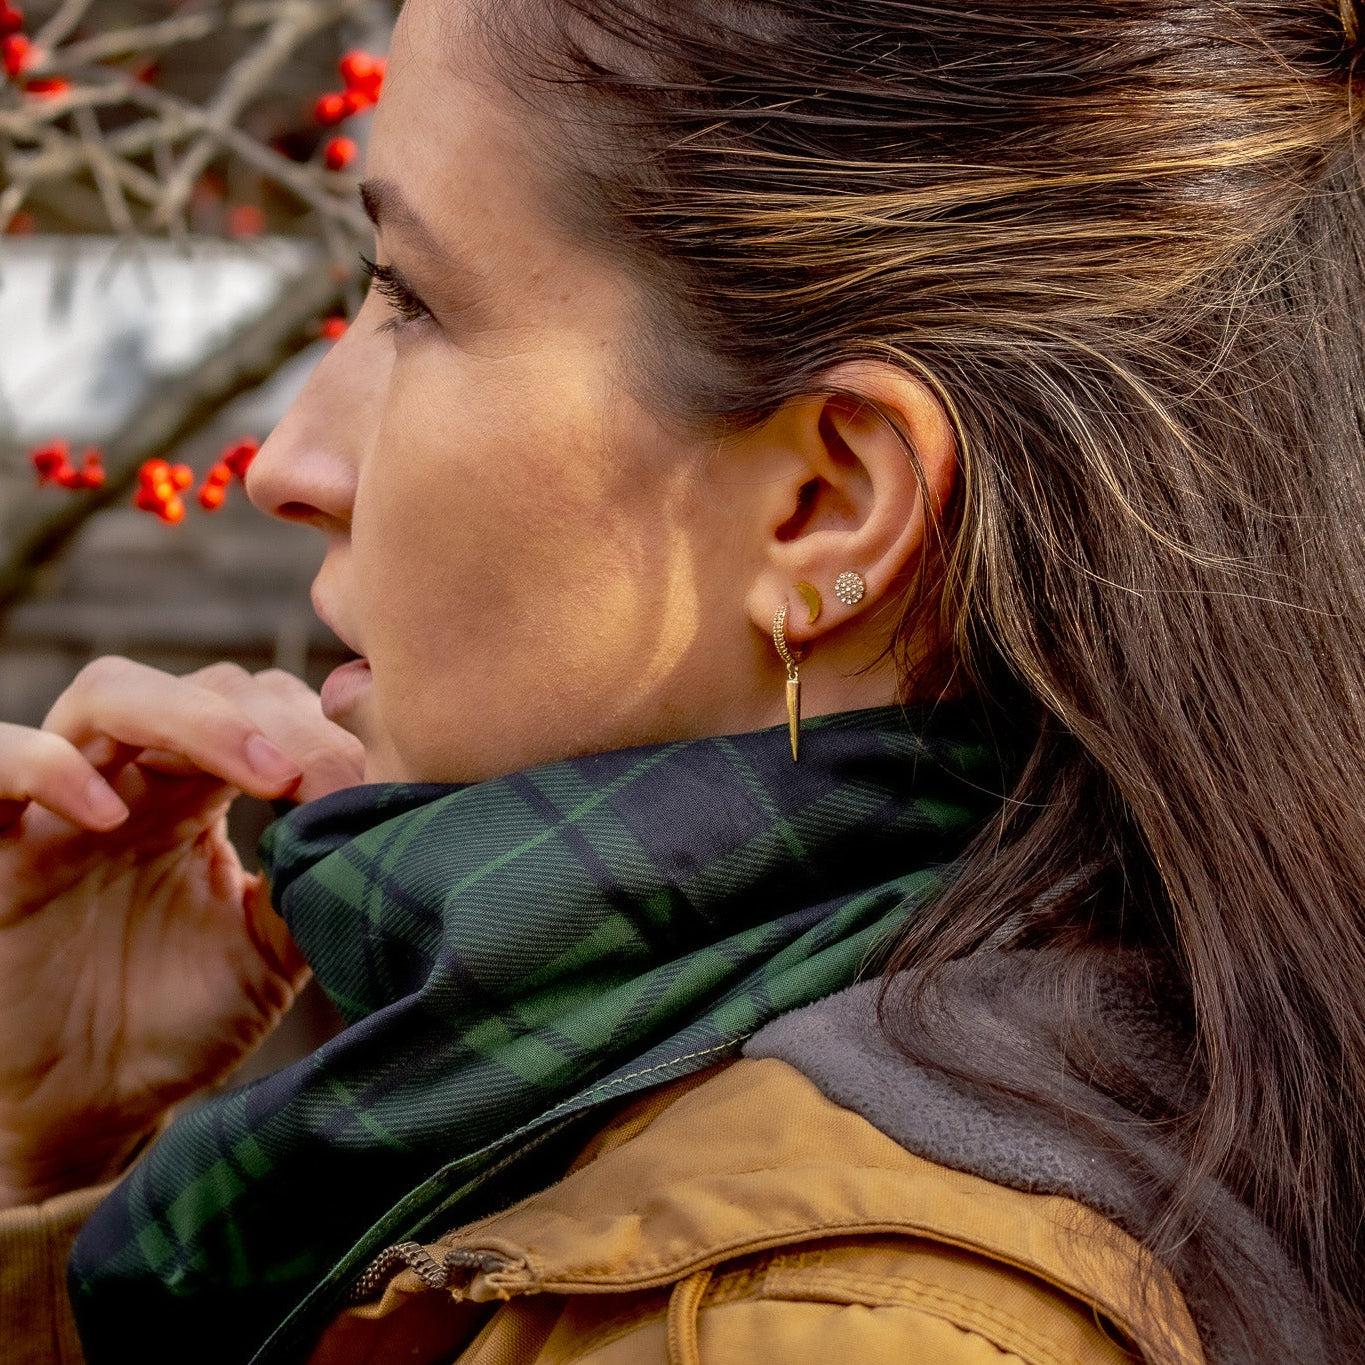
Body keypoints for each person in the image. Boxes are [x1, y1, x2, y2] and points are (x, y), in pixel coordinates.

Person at [2, 0, 1363, 1360]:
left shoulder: (819, 1327)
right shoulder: (716, 1125)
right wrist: (31, 1134)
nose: (285, 462)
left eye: (414, 299)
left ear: (822, 505)